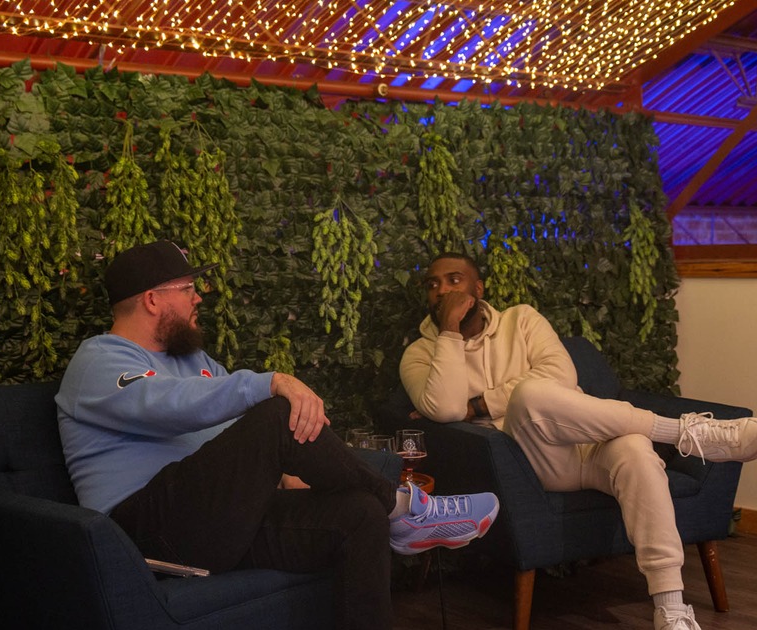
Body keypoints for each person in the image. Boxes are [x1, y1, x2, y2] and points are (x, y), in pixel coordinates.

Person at [56, 240, 499, 630]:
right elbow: (171, 403)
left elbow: (233, 432)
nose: (199, 298)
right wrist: (268, 382)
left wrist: (287, 473)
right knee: (274, 412)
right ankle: (403, 507)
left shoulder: (195, 361)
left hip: (215, 521)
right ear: (152, 300)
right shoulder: (98, 362)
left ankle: (387, 510)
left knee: (359, 513)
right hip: (144, 531)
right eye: (188, 289)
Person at [398, 252, 757, 630]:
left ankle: (670, 609)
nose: (442, 290)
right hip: (534, 460)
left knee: (635, 452)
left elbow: (560, 375)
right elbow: (445, 409)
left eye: (454, 280)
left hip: (591, 442)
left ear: (478, 289)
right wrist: (449, 330)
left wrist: (476, 404)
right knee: (529, 395)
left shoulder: (522, 319)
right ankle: (681, 432)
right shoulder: (420, 354)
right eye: (433, 284)